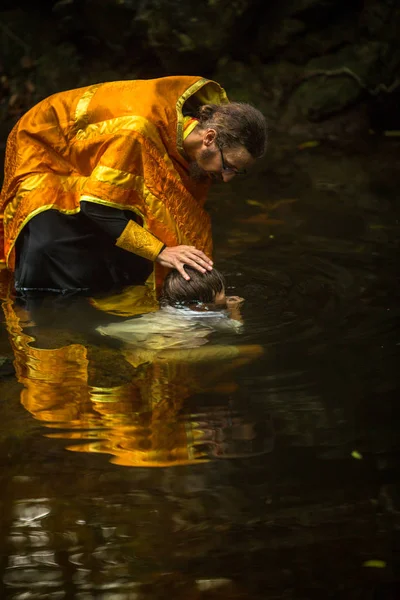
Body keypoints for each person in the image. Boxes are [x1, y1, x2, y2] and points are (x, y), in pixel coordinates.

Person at [0, 75, 267, 294]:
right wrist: (161, 252)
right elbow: (97, 207)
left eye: (238, 172)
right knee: (56, 252)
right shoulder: (138, 132)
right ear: (209, 137)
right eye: (229, 166)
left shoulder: (189, 142)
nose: (227, 177)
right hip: (45, 148)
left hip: (99, 149)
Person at [96, 267, 245, 349]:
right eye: (222, 292)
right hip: (173, 344)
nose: (225, 295)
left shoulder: (168, 306)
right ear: (202, 305)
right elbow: (236, 328)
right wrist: (234, 309)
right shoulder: (207, 316)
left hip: (149, 329)